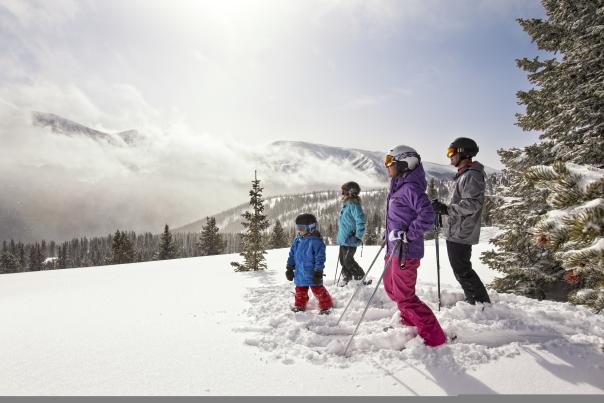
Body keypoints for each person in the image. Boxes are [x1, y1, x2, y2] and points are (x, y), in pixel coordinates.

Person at [384, 145, 447, 347]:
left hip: (405, 252)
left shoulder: (410, 188)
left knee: (405, 298)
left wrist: (408, 234)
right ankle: (412, 322)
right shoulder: (399, 186)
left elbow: (427, 215)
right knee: (392, 290)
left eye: (390, 162)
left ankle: (435, 338)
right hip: (393, 248)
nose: (387, 166)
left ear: (404, 164)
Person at [432, 137, 491, 305]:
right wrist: (443, 207)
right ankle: (475, 299)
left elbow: (472, 204)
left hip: (462, 231)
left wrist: (447, 209)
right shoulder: (464, 175)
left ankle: (480, 302)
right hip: (458, 230)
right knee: (460, 269)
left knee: (462, 269)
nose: (449, 157)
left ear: (462, 153)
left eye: (451, 152)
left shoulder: (471, 175)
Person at [286, 213, 333, 314]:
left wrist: (318, 271)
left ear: (311, 228)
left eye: (301, 228)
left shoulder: (316, 242)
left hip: (312, 273)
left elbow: (320, 258)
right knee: (300, 290)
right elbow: (292, 254)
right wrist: (289, 267)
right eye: (297, 227)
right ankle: (300, 306)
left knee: (318, 290)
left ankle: (326, 306)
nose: (299, 230)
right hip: (300, 272)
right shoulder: (297, 240)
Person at [336, 181, 367, 286]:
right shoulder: (347, 204)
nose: (342, 193)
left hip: (350, 239)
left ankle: (360, 277)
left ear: (351, 192)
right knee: (342, 261)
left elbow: (361, 220)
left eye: (344, 191)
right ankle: (347, 278)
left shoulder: (353, 204)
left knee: (348, 261)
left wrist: (358, 236)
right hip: (344, 239)